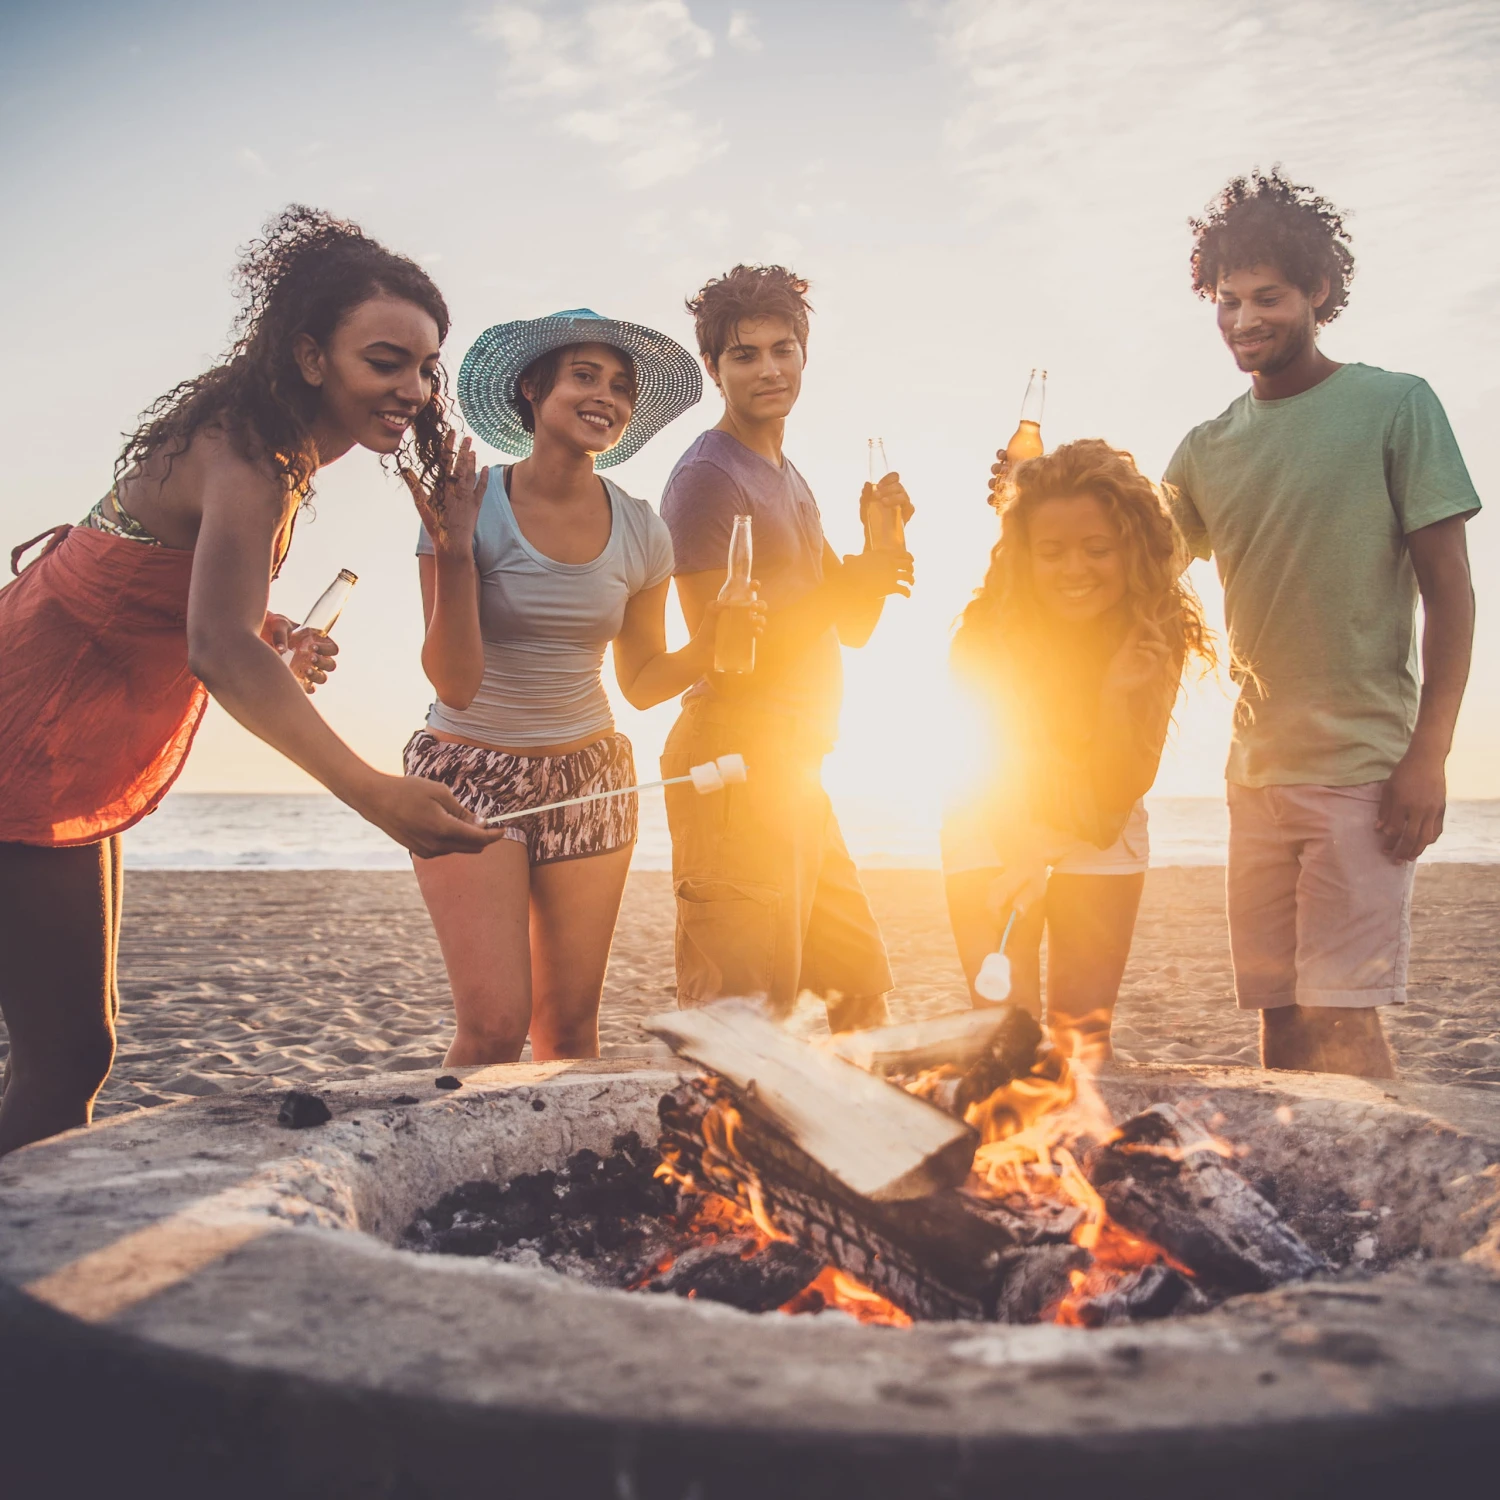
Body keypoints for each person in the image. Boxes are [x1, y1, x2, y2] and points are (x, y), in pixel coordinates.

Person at [0, 206, 505, 1156]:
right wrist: (373, 791)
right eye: (386, 360)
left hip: (63, 737)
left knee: (75, 1050)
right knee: (65, 1054)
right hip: (25, 734)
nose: (415, 388)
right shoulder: (251, 454)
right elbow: (214, 649)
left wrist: (269, 632)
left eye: (428, 366)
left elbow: (144, 572)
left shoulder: (270, 449)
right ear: (312, 357)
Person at [1164, 170, 1480, 1078]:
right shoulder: (1204, 448)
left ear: (1319, 294)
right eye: (1227, 301)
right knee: (1279, 1026)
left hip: (1362, 775)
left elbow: (1451, 593)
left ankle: (1372, 1217)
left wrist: (1429, 754)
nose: (1244, 319)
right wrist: (1030, 494)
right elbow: (1128, 569)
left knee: (1346, 1028)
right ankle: (1301, 1217)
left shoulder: (1396, 406)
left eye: (1268, 297)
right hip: (1252, 777)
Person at [405, 310, 759, 1065]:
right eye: (585, 376)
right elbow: (455, 683)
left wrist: (714, 647)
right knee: (496, 1029)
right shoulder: (468, 504)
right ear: (534, 388)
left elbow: (640, 681)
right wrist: (456, 552)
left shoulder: (640, 529)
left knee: (569, 1034)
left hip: (590, 776)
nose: (606, 396)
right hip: (471, 774)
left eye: (621, 386)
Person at [659, 265, 914, 1032]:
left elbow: (853, 626)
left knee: (857, 991)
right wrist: (855, 579)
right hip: (733, 762)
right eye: (744, 355)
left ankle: (844, 1152)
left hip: (798, 770)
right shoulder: (708, 477)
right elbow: (725, 653)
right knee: (743, 1022)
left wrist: (876, 546)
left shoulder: (789, 476)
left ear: (805, 353)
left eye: (782, 349)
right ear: (714, 368)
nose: (768, 369)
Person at [945, 440, 1215, 1061]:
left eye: (1098, 549)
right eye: (1052, 552)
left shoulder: (1154, 627)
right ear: (1025, 555)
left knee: (1082, 1042)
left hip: (1102, 816)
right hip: (995, 816)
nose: (1075, 569)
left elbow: (1121, 786)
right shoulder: (987, 630)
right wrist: (1020, 853)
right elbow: (985, 761)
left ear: (1131, 549)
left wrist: (1118, 697)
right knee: (1004, 1039)